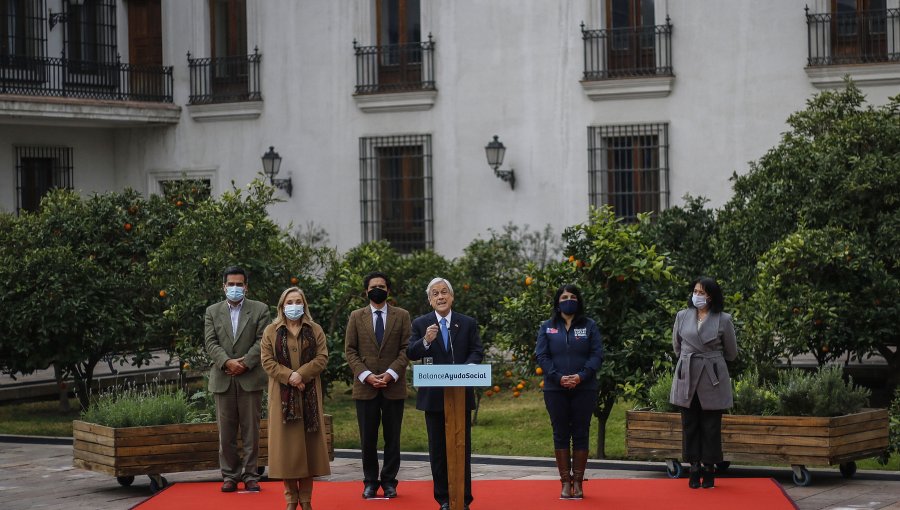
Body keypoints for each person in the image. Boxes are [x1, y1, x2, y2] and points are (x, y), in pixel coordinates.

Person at [407, 277, 484, 510]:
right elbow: (411, 352)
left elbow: (476, 351)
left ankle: (463, 499)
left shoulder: (467, 323)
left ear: (452, 297)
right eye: (435, 294)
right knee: (438, 452)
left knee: (462, 449)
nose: (440, 297)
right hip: (433, 398)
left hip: (460, 397)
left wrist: (469, 368)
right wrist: (426, 341)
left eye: (444, 292)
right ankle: (443, 499)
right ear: (430, 301)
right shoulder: (421, 324)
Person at [261, 286, 331, 510]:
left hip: (308, 396)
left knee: (309, 451)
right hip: (282, 399)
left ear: (304, 304)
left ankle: (307, 500)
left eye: (297, 301)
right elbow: (267, 361)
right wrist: (289, 376)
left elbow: (322, 358)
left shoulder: (315, 329)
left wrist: (301, 374)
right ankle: (291, 499)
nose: (294, 306)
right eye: (289, 302)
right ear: (282, 306)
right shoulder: (271, 330)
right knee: (287, 452)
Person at [344, 271, 412, 499]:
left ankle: (390, 482)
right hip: (365, 387)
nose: (378, 289)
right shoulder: (356, 316)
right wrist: (366, 375)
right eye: (374, 286)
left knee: (393, 438)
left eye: (382, 286)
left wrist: (391, 373)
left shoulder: (402, 316)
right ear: (366, 291)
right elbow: (350, 350)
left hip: (393, 386)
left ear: (388, 290)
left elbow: (406, 349)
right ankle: (370, 482)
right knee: (368, 439)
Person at [204, 266, 270, 493]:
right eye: (230, 284)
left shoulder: (260, 309)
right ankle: (230, 476)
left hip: (250, 377)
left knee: (251, 430)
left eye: (238, 284)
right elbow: (210, 342)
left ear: (246, 287)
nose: (234, 288)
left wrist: (245, 363)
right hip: (223, 378)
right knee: (226, 432)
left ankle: (251, 475)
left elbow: (263, 340)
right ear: (223, 286)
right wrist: (227, 362)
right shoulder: (212, 311)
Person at [535, 284, 603, 500]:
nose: (568, 299)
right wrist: (558, 377)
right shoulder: (547, 327)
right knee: (560, 432)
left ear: (579, 300)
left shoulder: (589, 326)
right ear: (557, 302)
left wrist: (581, 376)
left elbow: (597, 355)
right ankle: (565, 482)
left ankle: (579, 483)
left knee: (581, 432)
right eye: (564, 296)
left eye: (573, 296)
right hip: (555, 388)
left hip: (585, 387)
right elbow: (542, 356)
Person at [669, 277, 738, 489]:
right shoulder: (682, 316)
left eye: (702, 292)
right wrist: (690, 360)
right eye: (695, 291)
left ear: (712, 296)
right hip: (687, 373)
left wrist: (711, 358)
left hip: (712, 376)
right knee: (689, 424)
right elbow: (677, 347)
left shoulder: (723, 319)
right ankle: (694, 466)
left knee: (711, 425)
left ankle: (709, 467)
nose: (697, 295)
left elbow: (732, 353)